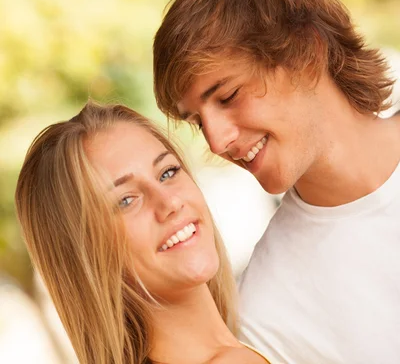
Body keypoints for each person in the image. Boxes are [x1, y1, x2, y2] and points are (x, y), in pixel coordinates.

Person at [153, 0, 400, 364]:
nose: (216, 141)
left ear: (307, 53)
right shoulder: (268, 313)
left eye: (228, 96)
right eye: (197, 121)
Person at [15, 101, 269, 364]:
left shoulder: (257, 338)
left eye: (167, 172)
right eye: (126, 200)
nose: (169, 203)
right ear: (85, 255)